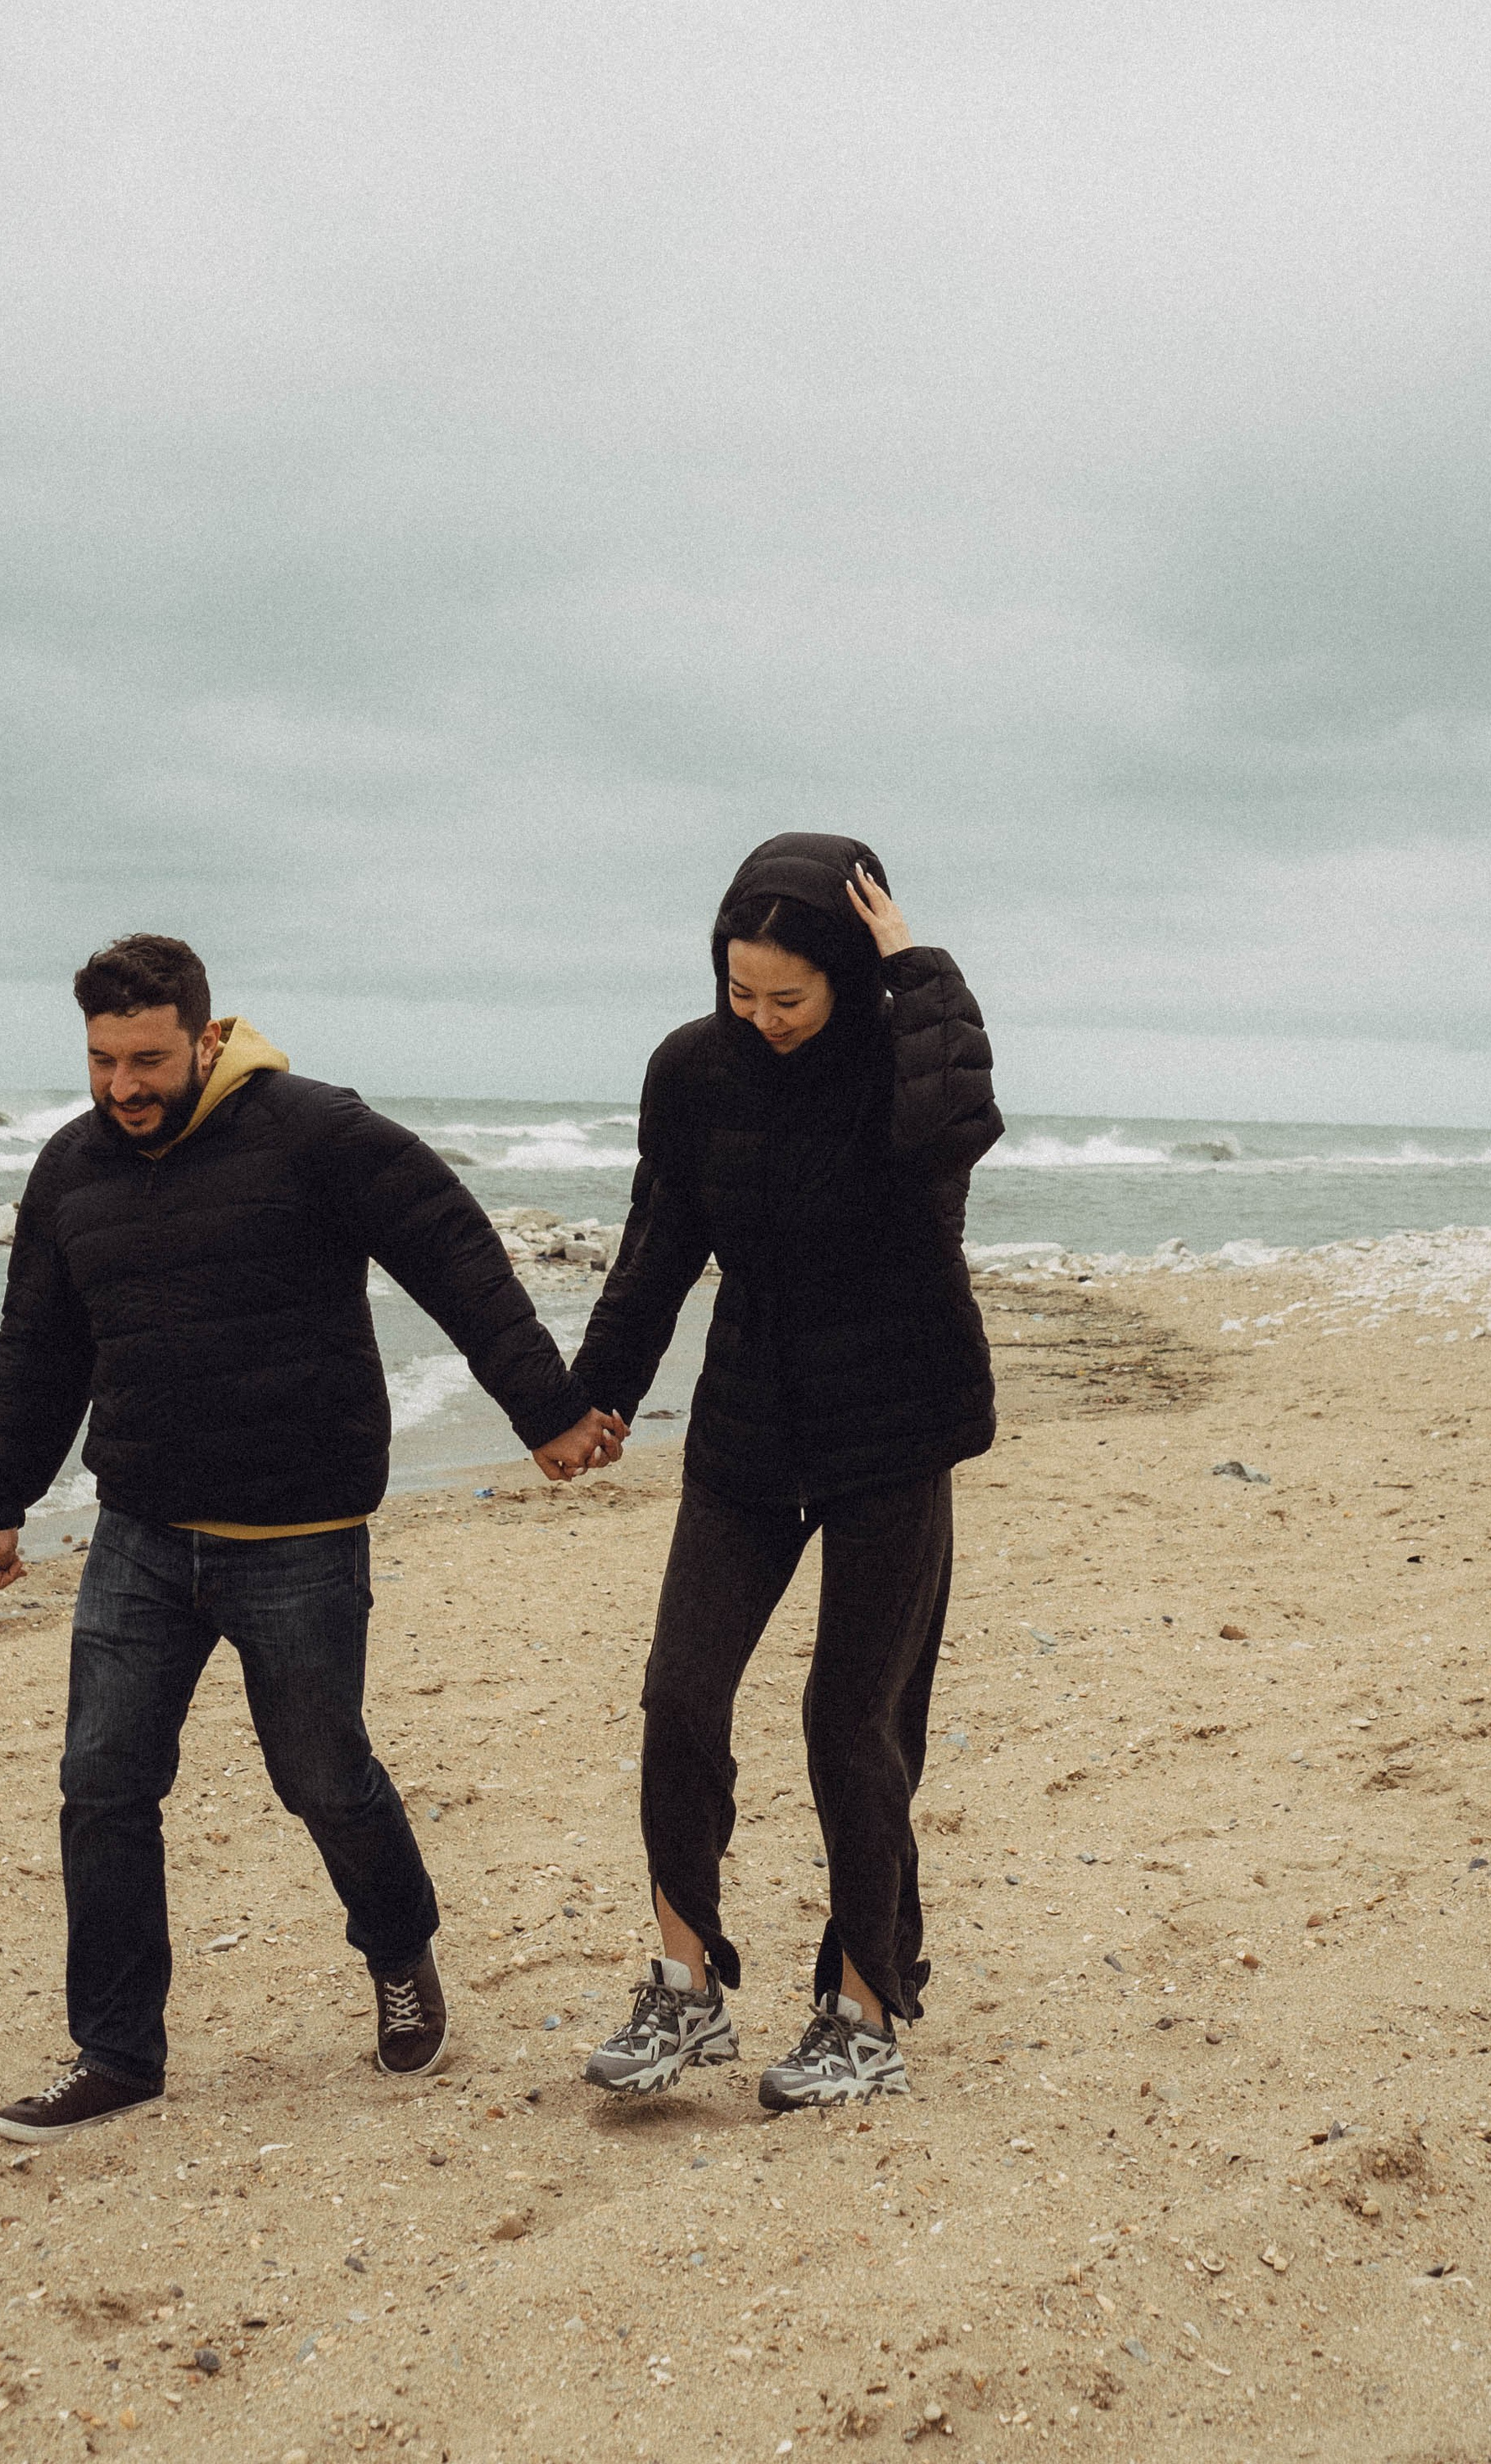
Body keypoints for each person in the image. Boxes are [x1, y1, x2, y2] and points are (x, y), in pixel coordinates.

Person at [0, 932, 627, 2141]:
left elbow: (452, 1251)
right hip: (140, 1530)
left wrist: (547, 1410)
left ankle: (400, 1950)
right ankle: (117, 2053)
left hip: (299, 1531)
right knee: (102, 1784)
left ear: (207, 1037)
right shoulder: (71, 1168)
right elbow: (41, 1342)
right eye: (102, 1061)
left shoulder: (313, 1131)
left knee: (320, 1776)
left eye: (147, 1060)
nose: (122, 1087)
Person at [569, 835, 1002, 2110]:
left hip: (895, 1424)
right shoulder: (693, 1070)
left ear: (850, 976)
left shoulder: (902, 1060)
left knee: (851, 1722)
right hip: (750, 1424)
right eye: (739, 990)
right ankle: (685, 1983)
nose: (760, 1018)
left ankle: (863, 2009)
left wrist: (920, 969)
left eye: (789, 997)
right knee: (679, 1697)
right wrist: (598, 1392)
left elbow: (958, 1126)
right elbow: (660, 1241)